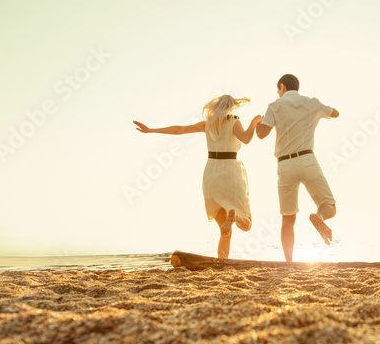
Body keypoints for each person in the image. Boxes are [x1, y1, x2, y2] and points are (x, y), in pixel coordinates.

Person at [133, 96, 263, 258]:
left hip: (211, 174)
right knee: (247, 224)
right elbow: (246, 138)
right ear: (231, 108)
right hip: (231, 172)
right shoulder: (234, 121)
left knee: (224, 230)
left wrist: (151, 130)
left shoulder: (208, 124)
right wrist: (254, 123)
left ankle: (222, 264)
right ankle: (235, 215)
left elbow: (180, 129)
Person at [255, 74, 339, 262]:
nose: (278, 94)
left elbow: (261, 134)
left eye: (278, 90)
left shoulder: (275, 106)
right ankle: (320, 216)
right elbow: (336, 113)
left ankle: (289, 263)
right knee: (329, 207)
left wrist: (257, 123)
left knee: (288, 218)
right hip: (308, 160)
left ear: (282, 87)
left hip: (285, 165)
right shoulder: (312, 103)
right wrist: (322, 112)